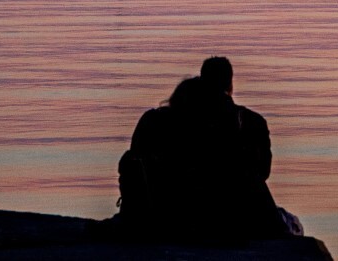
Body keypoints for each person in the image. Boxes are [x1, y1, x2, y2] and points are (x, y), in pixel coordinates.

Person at [115, 57, 292, 243]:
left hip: (163, 214)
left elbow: (136, 159)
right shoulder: (250, 122)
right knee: (289, 222)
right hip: (231, 219)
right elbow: (262, 172)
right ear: (230, 83)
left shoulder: (155, 121)